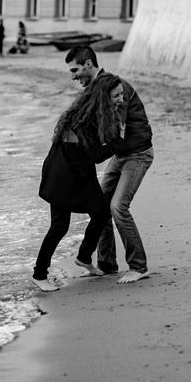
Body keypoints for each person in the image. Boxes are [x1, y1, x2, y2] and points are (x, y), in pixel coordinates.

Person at [65, 45, 154, 284]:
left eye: (75, 70)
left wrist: (92, 153)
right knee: (99, 206)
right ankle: (107, 264)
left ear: (88, 65)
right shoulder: (94, 89)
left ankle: (139, 266)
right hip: (120, 154)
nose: (74, 76)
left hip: (137, 155)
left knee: (118, 207)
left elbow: (116, 132)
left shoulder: (115, 87)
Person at [33, 73, 129, 292]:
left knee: (100, 214)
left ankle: (84, 257)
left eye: (122, 94)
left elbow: (90, 154)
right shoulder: (86, 119)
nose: (121, 99)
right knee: (59, 227)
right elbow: (95, 155)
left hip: (78, 172)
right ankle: (39, 274)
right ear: (104, 97)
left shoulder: (93, 112)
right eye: (116, 95)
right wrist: (117, 145)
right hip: (63, 174)